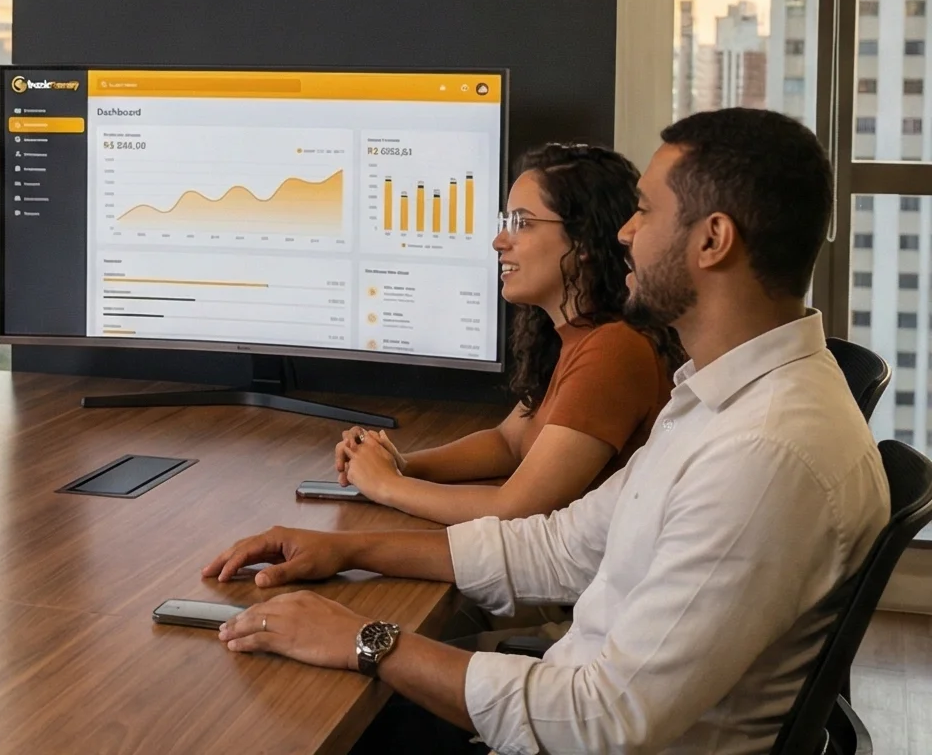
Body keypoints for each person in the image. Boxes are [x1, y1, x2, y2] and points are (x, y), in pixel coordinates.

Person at [201, 109, 889, 755]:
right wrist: (346, 550)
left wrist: (368, 639)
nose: (625, 233)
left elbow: (602, 719)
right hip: (571, 696)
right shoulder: (719, 400)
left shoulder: (762, 455)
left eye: (646, 211)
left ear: (712, 240)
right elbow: (561, 547)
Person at [333, 144, 678, 525]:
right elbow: (508, 442)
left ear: (582, 240)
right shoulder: (574, 337)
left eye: (521, 223)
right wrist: (399, 463)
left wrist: (387, 485)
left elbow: (516, 509)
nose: (499, 241)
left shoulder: (614, 349)